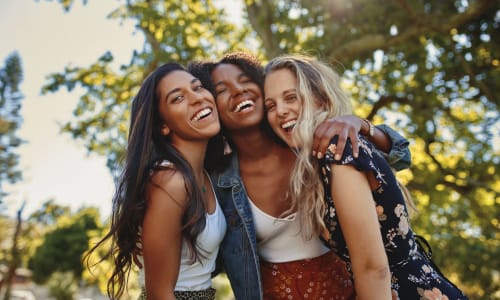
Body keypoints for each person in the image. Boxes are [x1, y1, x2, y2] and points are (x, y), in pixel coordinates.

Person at [188, 52, 413, 300]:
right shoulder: (217, 183)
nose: (239, 90)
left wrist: (360, 124)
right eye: (222, 90)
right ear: (212, 105)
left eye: (245, 80)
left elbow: (400, 157)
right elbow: (201, 264)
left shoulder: (308, 142)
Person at [263, 54, 468, 299]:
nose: (281, 111)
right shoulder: (317, 161)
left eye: (290, 98)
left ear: (320, 100)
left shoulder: (340, 149)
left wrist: (363, 124)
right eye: (271, 106)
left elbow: (374, 268)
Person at [84, 63, 226, 300]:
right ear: (163, 126)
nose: (197, 98)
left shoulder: (203, 175)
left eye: (198, 87)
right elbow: (159, 293)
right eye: (178, 98)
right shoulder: (169, 181)